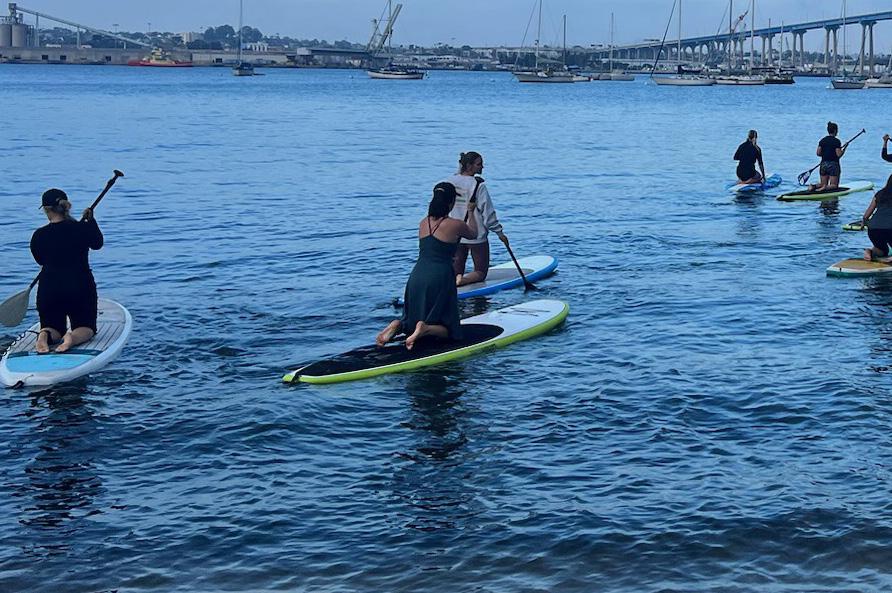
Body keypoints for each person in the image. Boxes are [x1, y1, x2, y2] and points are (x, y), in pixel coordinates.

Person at [377, 182, 478, 350]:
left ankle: (399, 325)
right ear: (451, 202)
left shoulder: (423, 223)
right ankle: (424, 329)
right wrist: (471, 211)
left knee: (414, 315)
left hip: (417, 275)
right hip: (440, 275)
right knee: (450, 330)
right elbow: (474, 233)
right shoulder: (455, 224)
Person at [30, 189, 104, 354]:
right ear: (66, 206)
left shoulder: (39, 235)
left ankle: (44, 335)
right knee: (86, 327)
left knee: (52, 326)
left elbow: (40, 260)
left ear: (46, 209)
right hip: (79, 286)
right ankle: (72, 338)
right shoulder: (81, 228)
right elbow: (97, 243)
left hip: (49, 288)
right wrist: (91, 222)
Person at [445, 152, 509, 287]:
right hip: (476, 235)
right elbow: (488, 214)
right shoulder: (478, 185)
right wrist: (500, 233)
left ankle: (456, 282)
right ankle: (463, 281)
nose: (482, 167)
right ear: (469, 166)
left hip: (456, 234)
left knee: (456, 270)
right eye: (479, 164)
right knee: (480, 272)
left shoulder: (449, 181)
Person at [861, 174, 892, 262]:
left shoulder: (880, 194)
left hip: (873, 228)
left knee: (882, 250)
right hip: (890, 228)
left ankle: (870, 252)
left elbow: (866, 215)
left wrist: (864, 223)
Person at [810, 121, 845, 192]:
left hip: (823, 164)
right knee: (834, 186)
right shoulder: (836, 141)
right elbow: (839, 155)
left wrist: (826, 153)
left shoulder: (822, 141)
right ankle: (825, 188)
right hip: (833, 164)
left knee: (822, 183)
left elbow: (818, 153)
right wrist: (844, 149)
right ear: (835, 130)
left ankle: (814, 186)